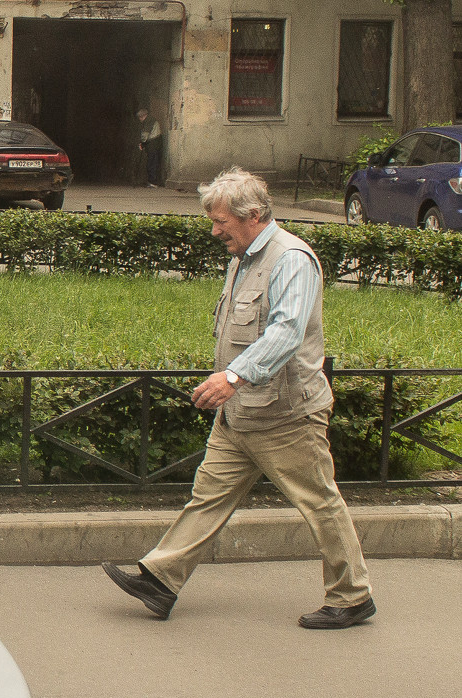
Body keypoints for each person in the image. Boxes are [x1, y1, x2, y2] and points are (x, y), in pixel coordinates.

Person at [103, 167, 375, 629]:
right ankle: (160, 579)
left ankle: (352, 596)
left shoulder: (291, 259)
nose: (214, 231)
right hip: (241, 413)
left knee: (319, 502)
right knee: (207, 497)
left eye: (221, 222)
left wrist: (232, 376)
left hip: (286, 415)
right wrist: (231, 386)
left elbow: (286, 333)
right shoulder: (244, 258)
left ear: (251, 215)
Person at [137, 108, 163, 187]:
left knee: (152, 162)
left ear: (143, 116)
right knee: (152, 162)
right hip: (154, 143)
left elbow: (145, 134)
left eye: (140, 117)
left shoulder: (149, 121)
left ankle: (153, 182)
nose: (140, 119)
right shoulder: (150, 120)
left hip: (153, 143)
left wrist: (142, 143)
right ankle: (152, 181)